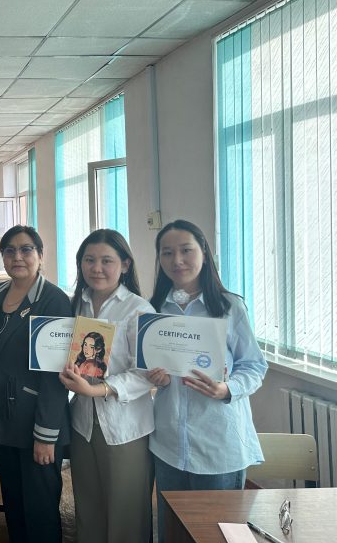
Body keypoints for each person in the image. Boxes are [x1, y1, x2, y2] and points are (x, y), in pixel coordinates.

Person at [146, 220, 268, 543]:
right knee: (173, 533)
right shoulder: (154, 309)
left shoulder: (228, 307)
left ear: (204, 252)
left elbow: (254, 366)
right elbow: (146, 367)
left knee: (219, 534)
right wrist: (155, 378)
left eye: (186, 250)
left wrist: (227, 389)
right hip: (169, 444)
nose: (177, 260)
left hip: (218, 444)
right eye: (167, 252)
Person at [58, 229, 155, 543]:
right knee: (88, 509)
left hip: (124, 426)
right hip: (83, 423)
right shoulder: (75, 305)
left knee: (126, 513)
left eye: (106, 261)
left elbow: (146, 375)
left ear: (125, 265)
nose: (96, 268)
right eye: (89, 260)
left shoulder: (138, 309)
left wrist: (98, 389)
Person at [0, 225, 72, 543]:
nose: (17, 256)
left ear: (41, 255)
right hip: (4, 421)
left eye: (26, 249)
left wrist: (46, 436)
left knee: (40, 511)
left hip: (36, 423)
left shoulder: (53, 300)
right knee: (15, 507)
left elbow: (56, 376)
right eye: (9, 250)